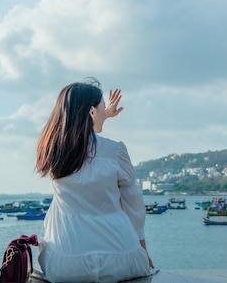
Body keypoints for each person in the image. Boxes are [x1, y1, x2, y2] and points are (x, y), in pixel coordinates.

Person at [36, 78, 155, 283]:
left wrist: (103, 116)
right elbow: (133, 206)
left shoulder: (53, 151)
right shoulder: (115, 151)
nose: (105, 110)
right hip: (120, 259)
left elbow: (84, 142)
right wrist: (143, 251)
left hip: (64, 264)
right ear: (92, 112)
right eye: (102, 107)